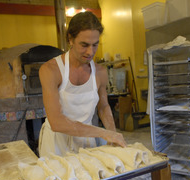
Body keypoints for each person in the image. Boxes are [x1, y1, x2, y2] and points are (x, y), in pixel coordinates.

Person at [38, 11, 126, 157]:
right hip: (56, 144)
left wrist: (113, 135)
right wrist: (104, 133)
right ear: (70, 39)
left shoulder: (100, 72)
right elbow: (56, 122)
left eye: (95, 45)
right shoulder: (51, 70)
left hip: (86, 141)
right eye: (84, 45)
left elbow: (103, 107)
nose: (90, 52)